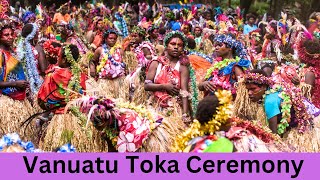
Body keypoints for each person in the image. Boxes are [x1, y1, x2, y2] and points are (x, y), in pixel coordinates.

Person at [0, 19, 36, 140]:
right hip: (6, 102)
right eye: (6, 35)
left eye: (11, 34)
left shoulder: (13, 53)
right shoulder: (0, 54)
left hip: (20, 100)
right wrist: (15, 83)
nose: (10, 37)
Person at [144, 31, 191, 122]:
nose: (176, 47)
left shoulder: (182, 67)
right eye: (173, 44)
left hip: (174, 108)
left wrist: (185, 114)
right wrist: (164, 86)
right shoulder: (156, 63)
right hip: (155, 107)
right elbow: (146, 86)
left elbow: (184, 92)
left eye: (180, 45)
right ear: (166, 45)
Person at [89, 29, 125, 98]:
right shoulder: (100, 50)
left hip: (118, 80)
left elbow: (123, 64)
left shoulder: (120, 50)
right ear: (105, 39)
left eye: (114, 39)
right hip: (105, 81)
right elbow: (92, 61)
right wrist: (92, 69)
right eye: (110, 38)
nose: (112, 40)